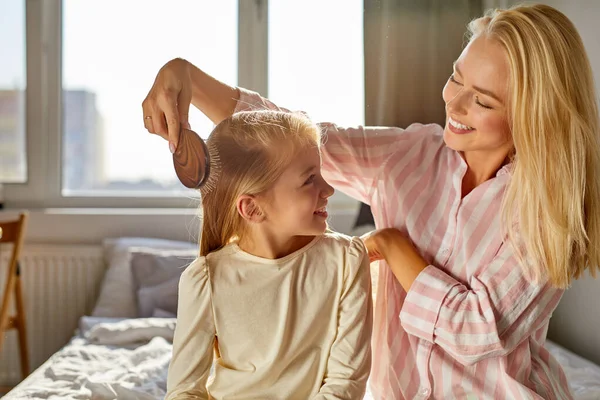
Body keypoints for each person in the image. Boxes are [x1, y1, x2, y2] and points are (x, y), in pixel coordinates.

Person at [144, 4, 600, 398]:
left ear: (533, 113)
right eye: (455, 78)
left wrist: (392, 244)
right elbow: (292, 142)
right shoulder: (409, 155)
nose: (453, 104)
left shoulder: (549, 206)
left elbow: (475, 329)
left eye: (480, 100)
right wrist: (190, 78)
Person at [164, 110, 373, 399]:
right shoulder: (206, 280)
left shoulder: (346, 260)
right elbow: (184, 391)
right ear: (252, 208)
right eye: (309, 179)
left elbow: (346, 381)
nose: (328, 189)